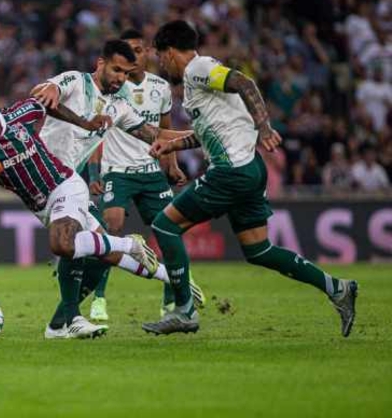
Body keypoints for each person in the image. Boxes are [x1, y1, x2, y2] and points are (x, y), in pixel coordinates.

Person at [140, 20, 357, 336]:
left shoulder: (197, 68)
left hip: (230, 173)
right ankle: (338, 288)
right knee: (258, 250)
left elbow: (244, 83)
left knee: (164, 225)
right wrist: (172, 143)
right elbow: (210, 131)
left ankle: (184, 311)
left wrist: (265, 126)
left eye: (161, 57)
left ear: (171, 52)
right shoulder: (197, 80)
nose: (162, 65)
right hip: (250, 168)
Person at [0, 94, 160, 339]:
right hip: (42, 207)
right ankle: (169, 276)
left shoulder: (18, 114)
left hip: (64, 185)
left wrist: (85, 123)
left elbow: (50, 104)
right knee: (108, 255)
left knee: (62, 245)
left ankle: (121, 255)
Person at [31, 39, 204, 338]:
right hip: (46, 179)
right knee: (80, 242)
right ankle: (71, 319)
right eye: (116, 70)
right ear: (100, 64)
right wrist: (49, 89)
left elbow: (155, 134)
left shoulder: (118, 107)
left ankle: (58, 325)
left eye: (126, 73)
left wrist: (204, 133)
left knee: (103, 256)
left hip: (70, 183)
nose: (120, 78)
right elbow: (50, 91)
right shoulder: (75, 81)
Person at [86, 29, 191, 322]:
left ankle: (172, 300)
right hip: (117, 171)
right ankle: (99, 298)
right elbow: (98, 133)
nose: (134, 55)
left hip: (150, 171)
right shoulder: (112, 87)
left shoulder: (160, 87)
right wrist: (95, 171)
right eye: (128, 51)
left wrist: (172, 165)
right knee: (112, 227)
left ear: (145, 54)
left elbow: (164, 130)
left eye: (139, 49)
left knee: (168, 231)